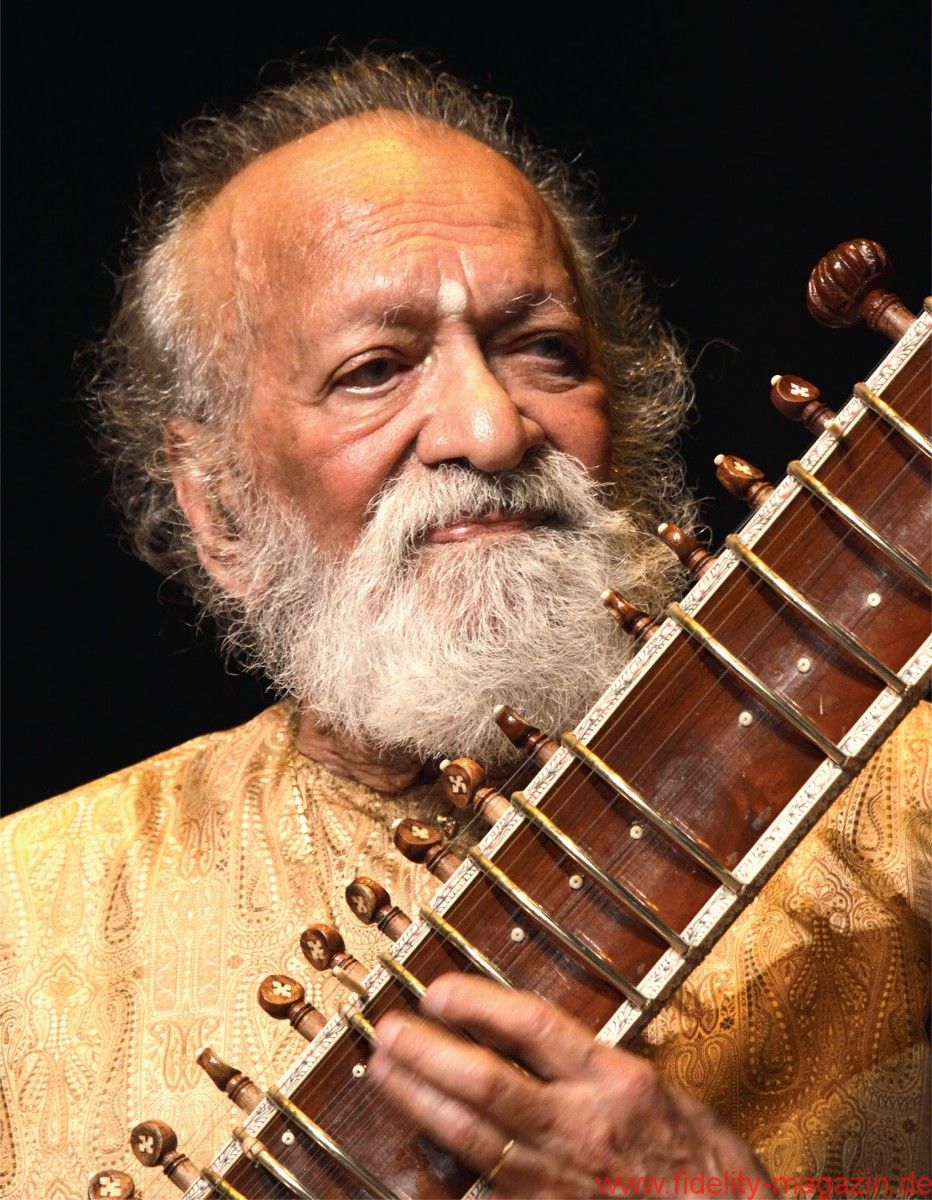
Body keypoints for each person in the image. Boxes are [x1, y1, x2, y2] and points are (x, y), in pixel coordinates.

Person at [0, 52, 927, 1200]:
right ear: (220, 508)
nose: (489, 430)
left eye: (544, 350)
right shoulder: (28, 929)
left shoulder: (909, 829)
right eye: (373, 370)